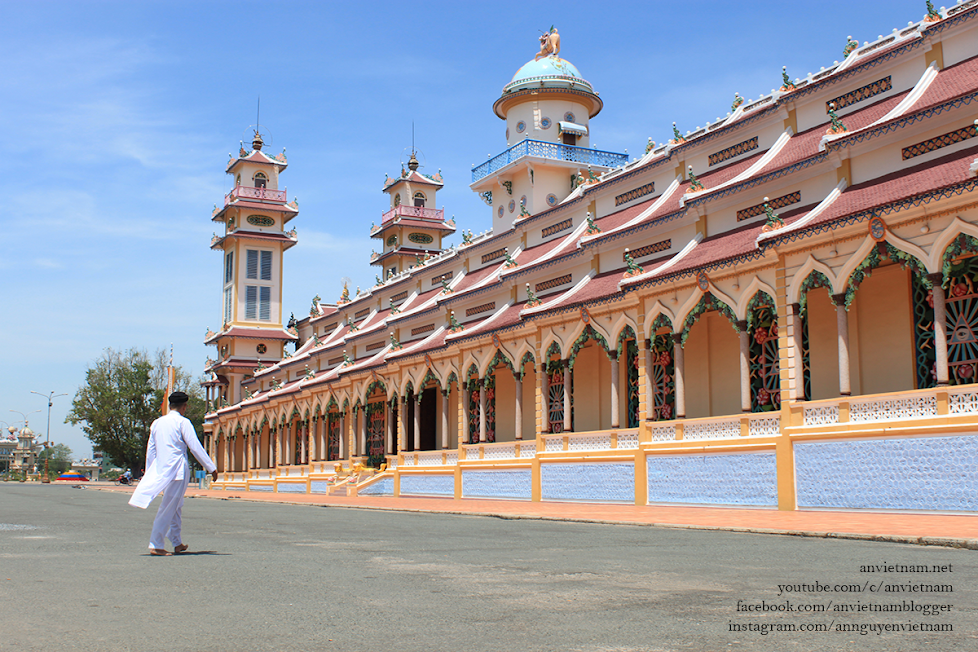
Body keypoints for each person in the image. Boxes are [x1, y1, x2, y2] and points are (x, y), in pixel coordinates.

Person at [128, 391, 217, 556]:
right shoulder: (183, 422)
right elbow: (195, 447)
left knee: (176, 505)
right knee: (169, 506)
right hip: (177, 469)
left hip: (162, 469)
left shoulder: (157, 423)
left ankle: (176, 542)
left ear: (170, 405)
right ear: (184, 407)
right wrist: (211, 467)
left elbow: (151, 450)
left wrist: (151, 472)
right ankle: (156, 544)